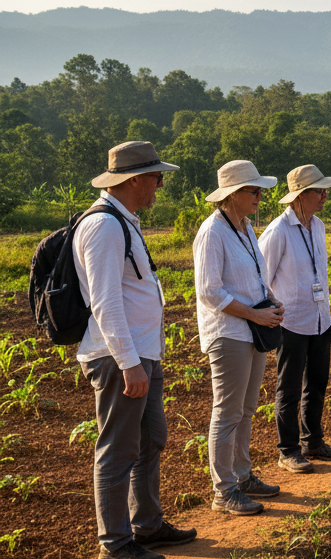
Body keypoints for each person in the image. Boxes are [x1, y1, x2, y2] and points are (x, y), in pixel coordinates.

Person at [74, 141, 196, 559]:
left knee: (151, 439)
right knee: (118, 449)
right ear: (136, 179)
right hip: (119, 357)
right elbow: (105, 301)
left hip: (142, 353)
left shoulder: (124, 221)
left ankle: (146, 525)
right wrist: (129, 364)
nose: (159, 186)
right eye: (157, 178)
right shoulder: (105, 226)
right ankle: (116, 544)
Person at [194, 160, 284, 515]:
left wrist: (270, 300)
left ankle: (243, 475)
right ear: (233, 195)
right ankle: (224, 490)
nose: (260, 196)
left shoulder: (246, 228)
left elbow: (255, 277)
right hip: (229, 333)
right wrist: (255, 313)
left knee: (246, 409)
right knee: (227, 411)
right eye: (253, 190)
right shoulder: (212, 232)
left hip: (253, 330)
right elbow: (209, 292)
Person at [258, 164, 331, 474]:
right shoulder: (278, 232)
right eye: (318, 191)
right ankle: (288, 450)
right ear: (299, 196)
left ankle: (314, 441)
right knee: (289, 388)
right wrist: (273, 310)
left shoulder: (318, 226)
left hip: (320, 319)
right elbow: (261, 278)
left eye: (324, 190)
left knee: (318, 382)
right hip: (291, 323)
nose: (324, 196)